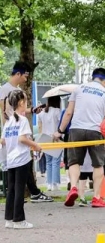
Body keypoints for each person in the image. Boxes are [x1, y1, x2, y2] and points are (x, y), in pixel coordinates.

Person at [53, 68, 105, 208]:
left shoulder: (79, 89)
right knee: (98, 164)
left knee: (74, 162)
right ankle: (96, 197)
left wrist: (60, 131)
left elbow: (68, 112)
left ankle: (73, 187)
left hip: (76, 129)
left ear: (93, 77)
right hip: (96, 130)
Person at [0, 61, 53, 203]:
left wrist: (33, 110)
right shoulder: (4, 90)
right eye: (25, 76)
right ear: (18, 74)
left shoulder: (20, 92)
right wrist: (7, 133)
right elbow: (4, 112)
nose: (25, 79)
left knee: (25, 162)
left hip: (20, 131)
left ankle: (31, 193)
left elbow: (21, 111)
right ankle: (18, 196)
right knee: (15, 165)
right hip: (13, 133)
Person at [1, 90, 42, 229]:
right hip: (22, 159)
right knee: (19, 189)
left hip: (11, 159)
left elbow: (3, 140)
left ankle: (9, 219)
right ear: (21, 102)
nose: (27, 104)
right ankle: (19, 220)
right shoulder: (23, 120)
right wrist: (35, 145)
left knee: (11, 189)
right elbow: (22, 138)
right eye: (26, 101)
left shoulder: (8, 122)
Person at [38, 96, 62, 191]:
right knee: (55, 161)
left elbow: (40, 126)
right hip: (55, 138)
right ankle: (55, 184)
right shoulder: (57, 111)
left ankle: (49, 184)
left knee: (48, 162)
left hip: (45, 138)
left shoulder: (42, 112)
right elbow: (61, 124)